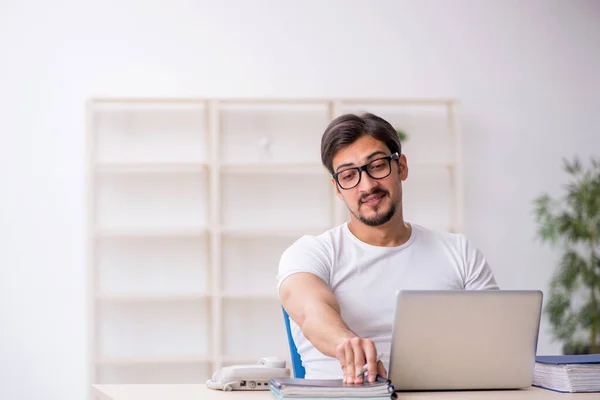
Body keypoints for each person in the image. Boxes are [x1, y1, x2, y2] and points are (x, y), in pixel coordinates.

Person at [276, 112, 499, 384]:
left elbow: (496, 346)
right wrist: (347, 343)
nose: (367, 185)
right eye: (349, 175)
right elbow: (311, 310)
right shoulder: (311, 252)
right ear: (337, 188)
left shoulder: (459, 252)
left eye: (378, 166)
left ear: (401, 167)